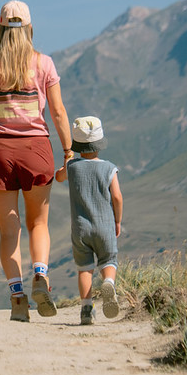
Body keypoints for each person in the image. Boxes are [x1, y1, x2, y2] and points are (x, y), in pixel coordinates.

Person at [0, 0, 72, 322]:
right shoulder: (44, 64)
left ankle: (18, 297)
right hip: (37, 150)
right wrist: (68, 152)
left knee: (9, 231)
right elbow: (59, 112)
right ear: (31, 28)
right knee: (38, 223)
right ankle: (41, 274)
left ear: (0, 29)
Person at [55, 115, 123, 325]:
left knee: (84, 268)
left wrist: (67, 160)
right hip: (105, 225)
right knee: (108, 260)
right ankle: (109, 283)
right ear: (100, 143)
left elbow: (58, 177)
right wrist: (117, 221)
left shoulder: (73, 167)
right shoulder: (109, 168)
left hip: (81, 228)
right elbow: (117, 197)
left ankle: (86, 309)